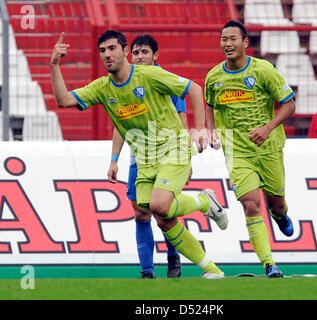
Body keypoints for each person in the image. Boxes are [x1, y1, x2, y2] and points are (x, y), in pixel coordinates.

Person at [50, 30, 228, 279]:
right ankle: (212, 269)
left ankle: (204, 203)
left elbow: (194, 89)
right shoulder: (103, 87)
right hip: (144, 158)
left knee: (159, 205)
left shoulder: (149, 74)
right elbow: (64, 100)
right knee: (160, 217)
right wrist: (55, 64)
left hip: (173, 148)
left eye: (112, 48)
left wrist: (199, 129)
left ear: (125, 52)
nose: (107, 55)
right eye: (102, 50)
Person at [204, 20, 295, 278]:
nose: (228, 44)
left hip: (269, 148)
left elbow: (289, 104)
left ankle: (281, 215)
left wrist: (267, 128)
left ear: (245, 43)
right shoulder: (214, 77)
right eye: (224, 39)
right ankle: (269, 264)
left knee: (275, 204)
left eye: (233, 39)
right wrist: (211, 130)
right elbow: (210, 104)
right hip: (237, 152)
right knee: (251, 205)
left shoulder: (263, 70)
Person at [107, 34, 188, 279]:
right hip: (139, 157)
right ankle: (147, 271)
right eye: (136, 53)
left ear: (156, 56)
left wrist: (184, 155)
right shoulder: (124, 80)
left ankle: (174, 258)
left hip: (167, 155)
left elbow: (182, 116)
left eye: (145, 53)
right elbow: (121, 122)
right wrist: (113, 159)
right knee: (140, 212)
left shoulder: (165, 79)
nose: (140, 57)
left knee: (163, 211)